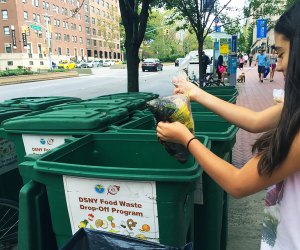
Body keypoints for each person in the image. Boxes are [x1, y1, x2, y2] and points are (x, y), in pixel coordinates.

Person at [157, 3, 300, 249]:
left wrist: (188, 140)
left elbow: (238, 183)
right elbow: (254, 121)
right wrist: (196, 93)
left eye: (283, 53)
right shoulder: (296, 106)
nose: (281, 65)